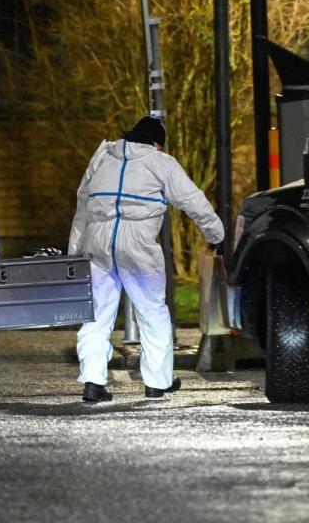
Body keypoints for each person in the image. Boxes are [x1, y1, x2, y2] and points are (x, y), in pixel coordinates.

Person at [68, 115, 224, 402]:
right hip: (137, 244)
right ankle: (156, 382)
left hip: (97, 242)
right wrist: (216, 233)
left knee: (96, 314)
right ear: (156, 143)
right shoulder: (162, 163)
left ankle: (92, 382)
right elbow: (193, 199)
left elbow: (82, 204)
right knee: (152, 312)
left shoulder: (102, 157)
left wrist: (74, 252)